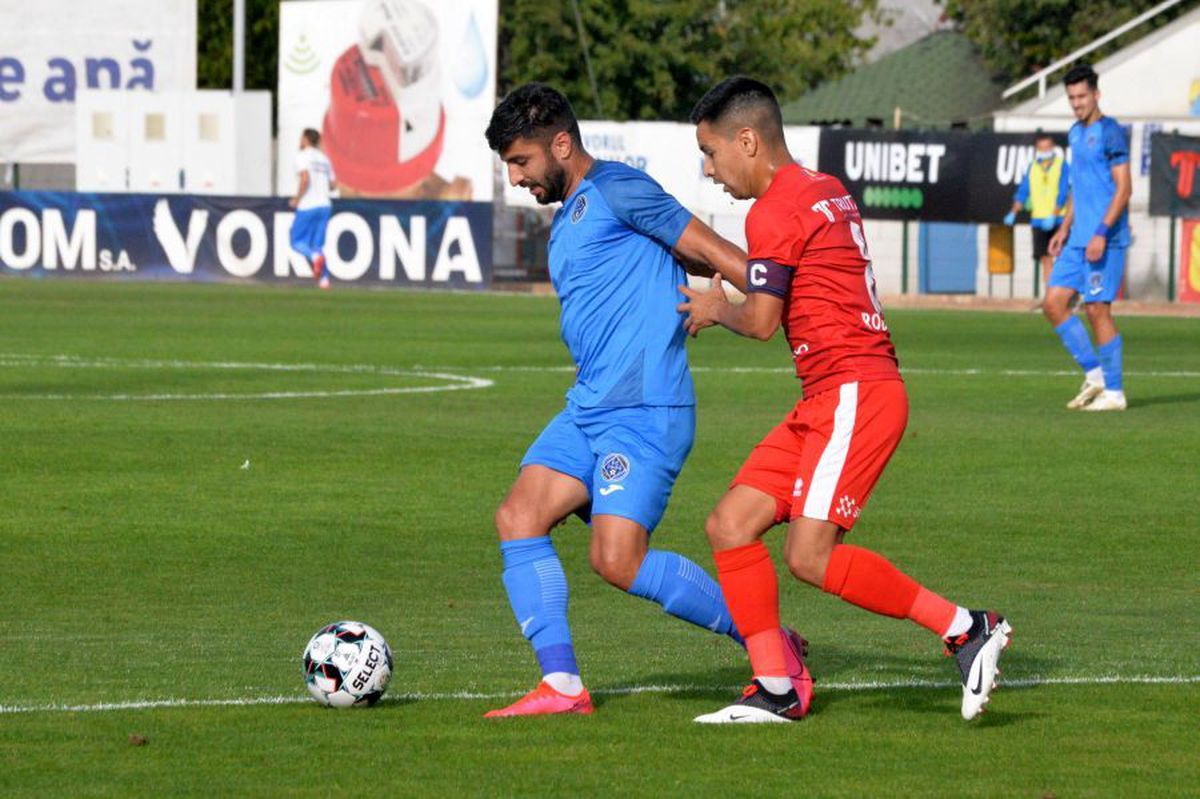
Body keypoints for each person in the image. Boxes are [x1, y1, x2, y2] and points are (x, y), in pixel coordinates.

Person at [678, 76, 1010, 724]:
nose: (711, 170)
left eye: (712, 153)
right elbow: (788, 278)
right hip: (831, 396)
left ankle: (966, 628)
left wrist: (718, 308)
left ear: (747, 140)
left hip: (853, 393)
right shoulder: (825, 190)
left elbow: (763, 320)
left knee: (808, 555)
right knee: (730, 524)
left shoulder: (772, 209)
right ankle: (776, 684)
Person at [481, 82, 812, 718]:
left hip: (644, 413)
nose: (516, 178)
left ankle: (768, 644)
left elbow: (722, 257)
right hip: (588, 408)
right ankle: (563, 687)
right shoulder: (572, 210)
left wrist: (797, 297)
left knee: (616, 560)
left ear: (560, 143)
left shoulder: (619, 190)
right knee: (518, 517)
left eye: (521, 162)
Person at [1045, 64, 1132, 411]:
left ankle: (1115, 393)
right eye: (1071, 98)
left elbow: (1123, 189)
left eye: (1082, 96)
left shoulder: (1110, 132)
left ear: (1096, 94)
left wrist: (1099, 233)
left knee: (1097, 308)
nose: (1077, 103)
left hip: (1104, 238)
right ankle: (1094, 374)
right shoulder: (1074, 133)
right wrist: (1065, 228)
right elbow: (1079, 190)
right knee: (1053, 304)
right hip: (1077, 238)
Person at [1004, 132, 1070, 294]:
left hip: (1058, 219)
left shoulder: (1062, 165)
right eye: (1041, 148)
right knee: (1045, 259)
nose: (1045, 150)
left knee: (1062, 259)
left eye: (1048, 147)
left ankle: (1065, 296)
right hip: (1038, 220)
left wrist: (1054, 213)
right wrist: (1013, 212)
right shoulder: (1032, 166)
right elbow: (1023, 191)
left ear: (1053, 148)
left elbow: (1063, 191)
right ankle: (1050, 297)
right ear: (1036, 149)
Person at [288, 128, 337, 290]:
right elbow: (332, 185)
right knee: (318, 245)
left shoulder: (302, 156)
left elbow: (305, 178)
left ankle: (315, 258)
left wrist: (297, 198)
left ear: (306, 139)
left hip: (308, 204)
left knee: (296, 241)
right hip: (325, 205)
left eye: (301, 138)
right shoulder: (324, 159)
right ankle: (324, 280)